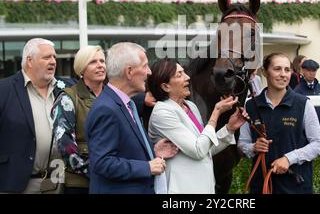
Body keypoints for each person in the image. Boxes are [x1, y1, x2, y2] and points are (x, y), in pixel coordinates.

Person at [85, 42, 178, 194]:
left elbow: (122, 150)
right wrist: (147, 167)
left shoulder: (126, 104)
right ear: (129, 72)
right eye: (145, 66)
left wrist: (152, 150)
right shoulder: (106, 109)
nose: (149, 72)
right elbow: (102, 163)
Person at [147, 58, 248, 194]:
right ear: (166, 86)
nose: (187, 77)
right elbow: (198, 150)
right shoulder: (162, 111)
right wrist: (216, 113)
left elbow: (205, 150)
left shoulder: (191, 107)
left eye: (184, 72)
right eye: (180, 75)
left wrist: (229, 128)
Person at [238, 53, 320, 194]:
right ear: (265, 72)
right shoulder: (251, 106)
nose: (283, 74)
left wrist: (289, 158)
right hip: (261, 187)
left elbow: (319, 143)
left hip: (296, 187)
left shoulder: (303, 104)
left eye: (287, 70)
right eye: (277, 69)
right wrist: (253, 147)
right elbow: (242, 145)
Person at [0, 38, 63, 193]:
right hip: (16, 183)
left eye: (54, 57)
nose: (53, 61)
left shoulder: (65, 88)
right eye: (47, 57)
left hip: (58, 180)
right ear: (29, 61)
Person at [51, 45, 106, 194]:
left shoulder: (113, 96)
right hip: (81, 184)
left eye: (102, 60)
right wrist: (101, 172)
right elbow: (65, 145)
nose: (100, 65)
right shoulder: (67, 98)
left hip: (114, 180)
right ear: (82, 69)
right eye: (93, 62)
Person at [295, 59, 320, 144]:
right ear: (303, 71)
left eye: (314, 70)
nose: (311, 73)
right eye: (309, 70)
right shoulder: (297, 90)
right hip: (306, 132)